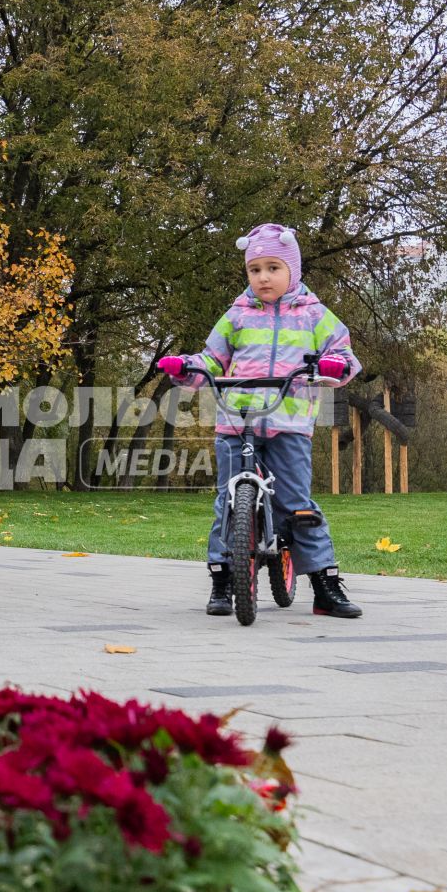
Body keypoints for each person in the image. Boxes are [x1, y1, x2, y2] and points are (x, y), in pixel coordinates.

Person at [158, 222, 364, 619]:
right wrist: (184, 367)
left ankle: (324, 583)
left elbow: (343, 353)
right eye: (255, 269)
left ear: (292, 270)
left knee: (296, 505)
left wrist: (334, 366)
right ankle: (222, 579)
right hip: (236, 421)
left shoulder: (314, 315)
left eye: (273, 267)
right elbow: (212, 360)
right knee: (228, 502)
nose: (263, 277)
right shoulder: (236, 315)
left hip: (289, 424)